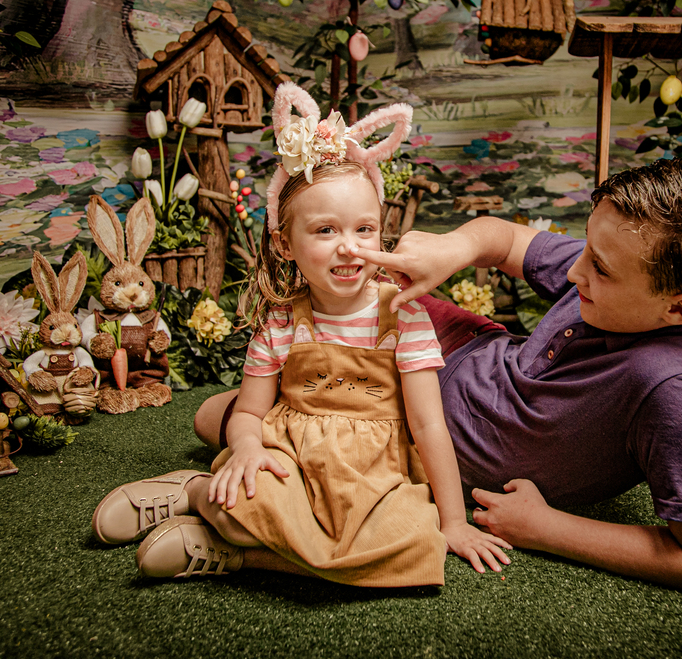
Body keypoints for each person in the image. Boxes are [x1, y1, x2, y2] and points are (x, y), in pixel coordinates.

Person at [92, 85, 509, 585]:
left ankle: (228, 552)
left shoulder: (405, 317)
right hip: (290, 460)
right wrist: (247, 448)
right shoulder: (283, 322)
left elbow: (428, 425)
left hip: (375, 477)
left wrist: (454, 521)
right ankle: (196, 493)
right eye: (326, 231)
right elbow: (247, 411)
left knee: (420, 548)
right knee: (241, 509)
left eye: (365, 229)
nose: (350, 248)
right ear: (285, 242)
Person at [347, 157, 682, 594]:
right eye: (585, 247)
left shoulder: (678, 396)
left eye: (599, 269)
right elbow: (506, 239)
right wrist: (456, 249)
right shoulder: (618, 261)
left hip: (421, 417)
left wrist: (546, 528)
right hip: (465, 342)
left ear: (678, 310)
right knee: (327, 292)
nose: (573, 272)